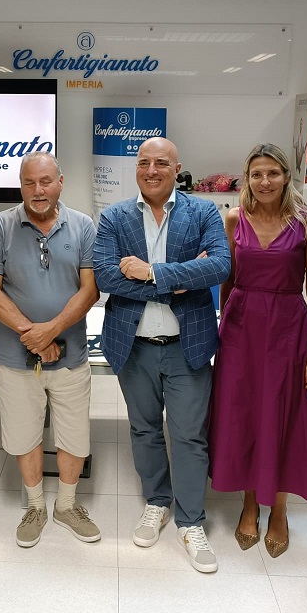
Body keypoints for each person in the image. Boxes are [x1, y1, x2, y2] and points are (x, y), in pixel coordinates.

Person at [94, 136, 231, 573]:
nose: (151, 170)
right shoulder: (114, 216)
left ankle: (191, 521)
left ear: (177, 168)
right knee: (144, 430)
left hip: (187, 346)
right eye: (144, 163)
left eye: (161, 163)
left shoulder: (203, 211)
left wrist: (151, 272)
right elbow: (106, 277)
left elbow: (220, 265)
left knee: (189, 435)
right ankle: (157, 501)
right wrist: (180, 280)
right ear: (136, 168)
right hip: (133, 346)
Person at [208, 143, 307, 559]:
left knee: (281, 415)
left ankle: (278, 509)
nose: (264, 181)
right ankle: (247, 503)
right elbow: (227, 280)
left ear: (287, 177)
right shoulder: (233, 219)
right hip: (241, 328)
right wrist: (222, 331)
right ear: (247, 178)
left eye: (273, 173)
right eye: (256, 174)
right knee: (243, 415)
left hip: (287, 329)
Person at [0, 152, 101, 548]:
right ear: (21, 185)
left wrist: (51, 331)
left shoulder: (83, 226)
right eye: (29, 182)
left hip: (71, 355)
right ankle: (35, 506)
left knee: (74, 435)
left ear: (60, 182)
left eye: (45, 181)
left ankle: (66, 505)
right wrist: (32, 334)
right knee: (24, 432)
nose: (38, 190)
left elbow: (90, 290)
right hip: (16, 357)